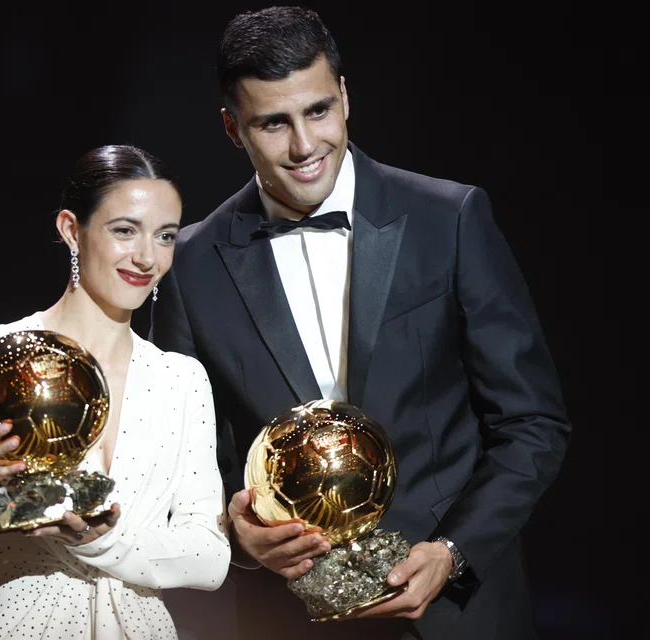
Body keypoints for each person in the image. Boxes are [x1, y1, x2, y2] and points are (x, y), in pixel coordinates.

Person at [149, 6, 571, 639]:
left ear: (345, 96)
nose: (303, 146)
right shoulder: (190, 266)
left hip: (460, 613)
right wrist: (238, 539)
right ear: (233, 129)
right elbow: (182, 468)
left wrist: (452, 553)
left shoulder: (449, 218)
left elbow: (533, 424)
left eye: (318, 111)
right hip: (290, 618)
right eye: (272, 122)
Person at [0, 144, 230, 640]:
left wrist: (108, 541)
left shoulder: (180, 379)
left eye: (164, 236)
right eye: (124, 230)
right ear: (70, 230)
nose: (146, 257)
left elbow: (210, 558)